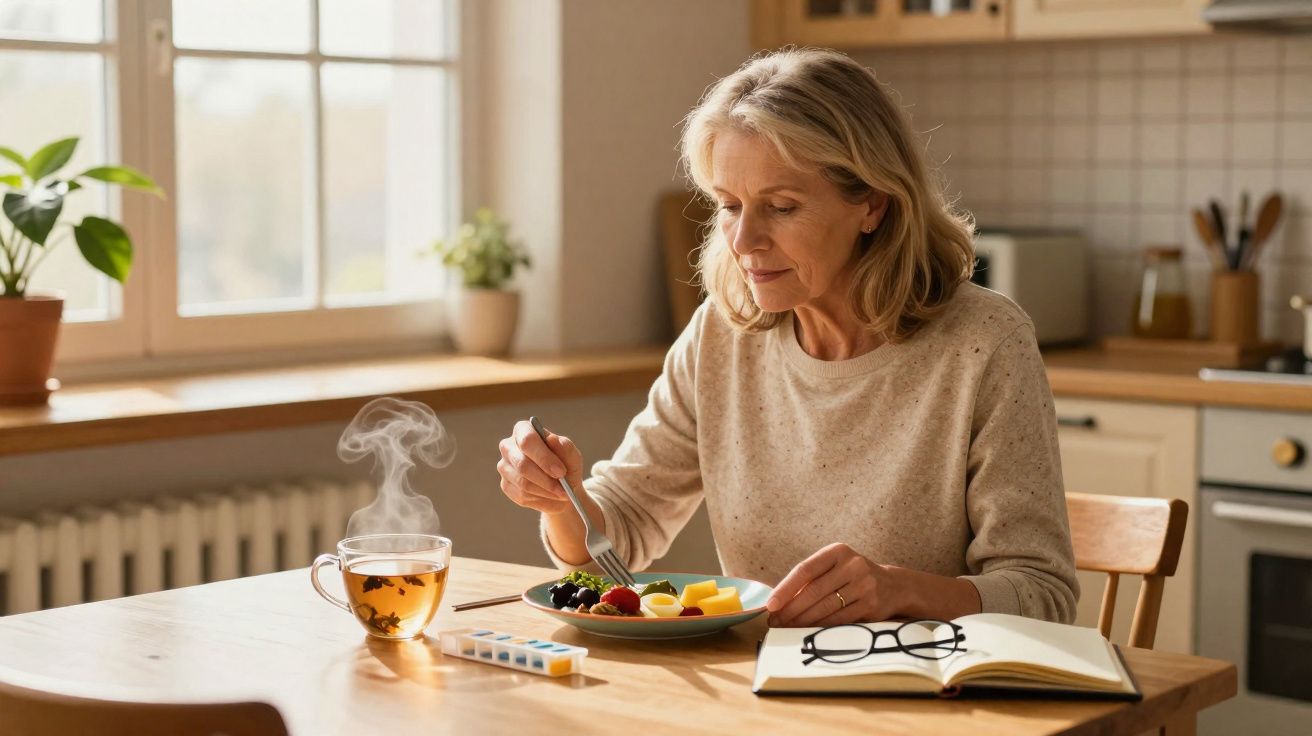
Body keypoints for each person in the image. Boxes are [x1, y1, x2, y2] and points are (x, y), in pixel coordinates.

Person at [496, 48, 1078, 627]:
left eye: (780, 206)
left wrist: (901, 591)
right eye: (728, 206)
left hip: (927, 702)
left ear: (872, 203)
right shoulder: (721, 336)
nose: (744, 239)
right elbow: (618, 535)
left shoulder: (984, 343)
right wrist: (561, 499)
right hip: (761, 691)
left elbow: (1042, 594)